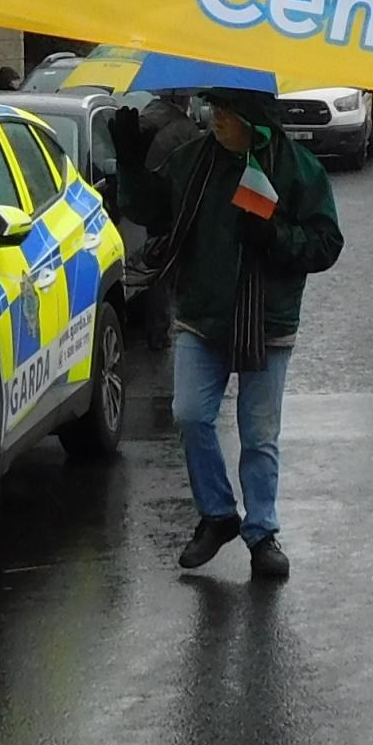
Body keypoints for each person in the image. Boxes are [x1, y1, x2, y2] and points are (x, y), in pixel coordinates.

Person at [112, 88, 342, 578]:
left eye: (225, 110)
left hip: (268, 322)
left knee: (258, 436)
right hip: (202, 316)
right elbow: (150, 208)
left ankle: (262, 533)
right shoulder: (193, 160)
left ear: (252, 118)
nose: (214, 118)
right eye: (212, 108)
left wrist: (275, 236)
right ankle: (217, 515)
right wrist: (130, 161)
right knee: (190, 415)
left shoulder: (297, 170)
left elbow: (326, 243)